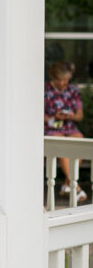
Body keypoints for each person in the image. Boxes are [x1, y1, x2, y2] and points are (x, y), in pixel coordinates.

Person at [44, 60, 87, 203]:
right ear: (53, 78)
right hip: (51, 126)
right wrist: (53, 117)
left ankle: (69, 183)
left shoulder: (73, 90)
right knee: (62, 144)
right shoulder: (44, 90)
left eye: (65, 80)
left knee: (78, 141)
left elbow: (80, 115)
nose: (63, 83)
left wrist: (71, 116)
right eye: (60, 80)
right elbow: (36, 115)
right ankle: (76, 187)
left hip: (69, 126)